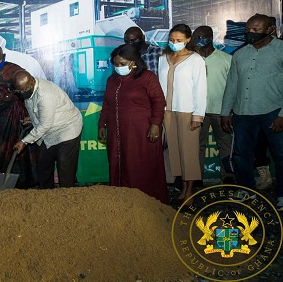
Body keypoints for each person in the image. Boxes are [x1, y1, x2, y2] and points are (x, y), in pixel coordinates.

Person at [221, 14, 283, 210]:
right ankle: (246, 190)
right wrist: (225, 112)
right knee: (241, 155)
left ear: (271, 29)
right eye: (248, 29)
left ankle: (282, 194)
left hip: (273, 111)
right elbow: (232, 84)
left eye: (256, 29)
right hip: (243, 113)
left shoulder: (281, 50)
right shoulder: (240, 54)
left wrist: (282, 114)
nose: (250, 32)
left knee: (280, 155)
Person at [98, 44, 168, 203]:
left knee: (140, 165)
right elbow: (107, 104)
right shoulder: (112, 80)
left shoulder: (147, 77)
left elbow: (159, 101)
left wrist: (156, 124)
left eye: (122, 64)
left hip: (141, 131)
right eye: (115, 64)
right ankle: (122, 202)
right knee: (118, 163)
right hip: (116, 132)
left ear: (133, 62)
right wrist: (102, 124)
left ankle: (146, 202)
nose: (118, 67)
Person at [157, 24, 207, 205]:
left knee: (189, 153)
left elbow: (201, 90)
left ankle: (190, 191)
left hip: (188, 111)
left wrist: (197, 116)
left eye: (178, 40)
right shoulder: (164, 58)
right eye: (171, 40)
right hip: (167, 111)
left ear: (188, 40)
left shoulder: (196, 60)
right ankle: (182, 187)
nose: (174, 43)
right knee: (176, 153)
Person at [0, 44, 37, 189]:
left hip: (15, 118)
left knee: (17, 150)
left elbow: (27, 89)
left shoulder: (15, 70)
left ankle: (21, 183)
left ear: (3, 57)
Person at [12, 70, 83, 189]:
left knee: (65, 169)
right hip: (48, 132)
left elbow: (45, 124)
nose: (21, 93)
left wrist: (24, 141)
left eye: (23, 90)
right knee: (43, 166)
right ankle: (46, 198)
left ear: (32, 82)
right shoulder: (28, 89)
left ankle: (68, 199)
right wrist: (32, 119)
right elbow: (42, 113)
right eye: (18, 91)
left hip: (67, 129)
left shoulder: (45, 95)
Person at [192, 26, 234, 185]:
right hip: (197, 111)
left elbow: (232, 86)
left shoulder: (226, 59)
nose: (197, 40)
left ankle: (228, 176)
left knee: (225, 144)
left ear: (210, 38)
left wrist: (230, 110)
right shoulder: (192, 59)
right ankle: (196, 177)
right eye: (195, 37)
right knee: (197, 145)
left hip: (221, 110)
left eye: (200, 37)